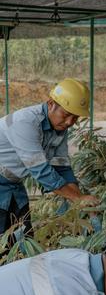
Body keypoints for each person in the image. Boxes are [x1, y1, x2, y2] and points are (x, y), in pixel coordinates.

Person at [0, 78, 99, 236]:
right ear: (51, 103)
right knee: (4, 240)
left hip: (13, 183)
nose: (69, 122)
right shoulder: (25, 123)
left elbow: (62, 167)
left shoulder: (58, 128)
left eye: (75, 118)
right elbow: (41, 170)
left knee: (23, 235)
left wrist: (80, 198)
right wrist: (78, 199)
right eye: (66, 115)